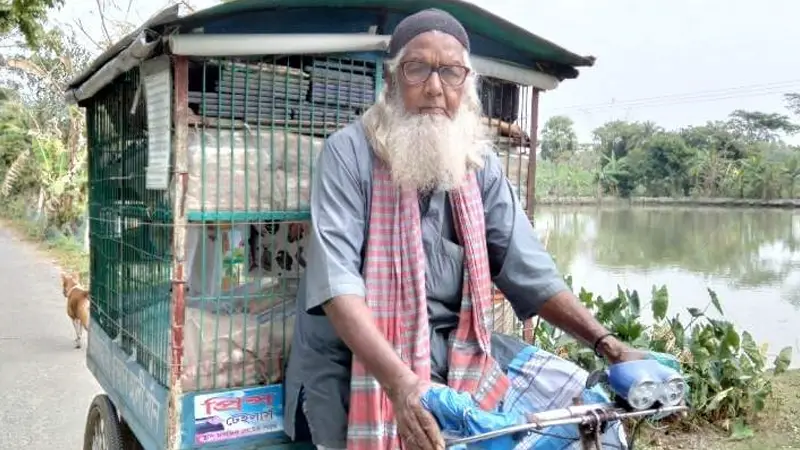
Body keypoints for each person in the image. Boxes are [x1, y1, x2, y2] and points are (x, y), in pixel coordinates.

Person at [284, 8, 642, 450]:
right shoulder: (347, 154)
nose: (435, 88)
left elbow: (530, 270)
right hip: (357, 360)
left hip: (456, 352)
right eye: (418, 70)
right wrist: (402, 386)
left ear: (466, 85)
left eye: (451, 73)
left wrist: (607, 343)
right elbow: (338, 287)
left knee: (582, 410)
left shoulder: (477, 163)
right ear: (392, 82)